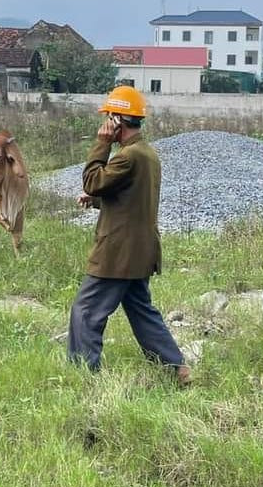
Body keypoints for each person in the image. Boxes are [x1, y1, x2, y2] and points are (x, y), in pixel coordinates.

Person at [66, 85, 191, 386]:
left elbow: (93, 180)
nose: (104, 125)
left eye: (108, 118)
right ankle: (176, 367)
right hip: (140, 250)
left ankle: (84, 374)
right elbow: (128, 197)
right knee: (141, 311)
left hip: (118, 253)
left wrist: (100, 145)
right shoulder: (147, 154)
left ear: (117, 120)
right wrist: (96, 200)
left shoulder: (126, 157)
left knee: (86, 311)